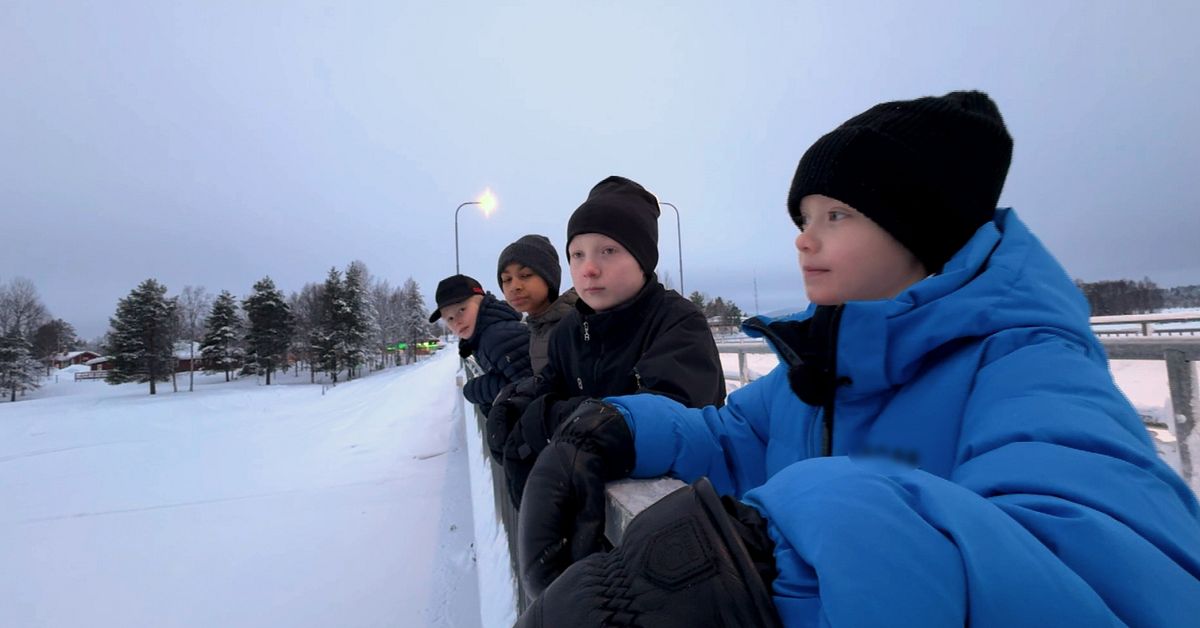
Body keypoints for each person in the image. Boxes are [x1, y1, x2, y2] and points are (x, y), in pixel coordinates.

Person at [514, 91, 1200, 627]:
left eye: (834, 217)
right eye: (801, 220)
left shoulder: (1029, 367)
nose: (804, 243)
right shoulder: (823, 367)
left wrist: (763, 558)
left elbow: (1114, 582)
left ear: (919, 228)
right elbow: (732, 436)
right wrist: (616, 429)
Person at [491, 176, 727, 507]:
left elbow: (670, 421)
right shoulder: (567, 332)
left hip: (674, 521)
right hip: (586, 514)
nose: (588, 269)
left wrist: (551, 418)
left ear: (643, 258)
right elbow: (549, 388)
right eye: (576, 254)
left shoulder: (678, 323)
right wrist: (518, 403)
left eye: (608, 251)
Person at [428, 274, 531, 416]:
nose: (456, 321)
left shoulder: (497, 337)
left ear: (481, 302)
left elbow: (532, 388)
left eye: (462, 310)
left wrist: (477, 390)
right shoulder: (485, 337)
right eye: (450, 318)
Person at [496, 234, 579, 374]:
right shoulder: (538, 328)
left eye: (526, 275)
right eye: (507, 279)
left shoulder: (572, 326)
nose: (514, 286)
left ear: (549, 279)